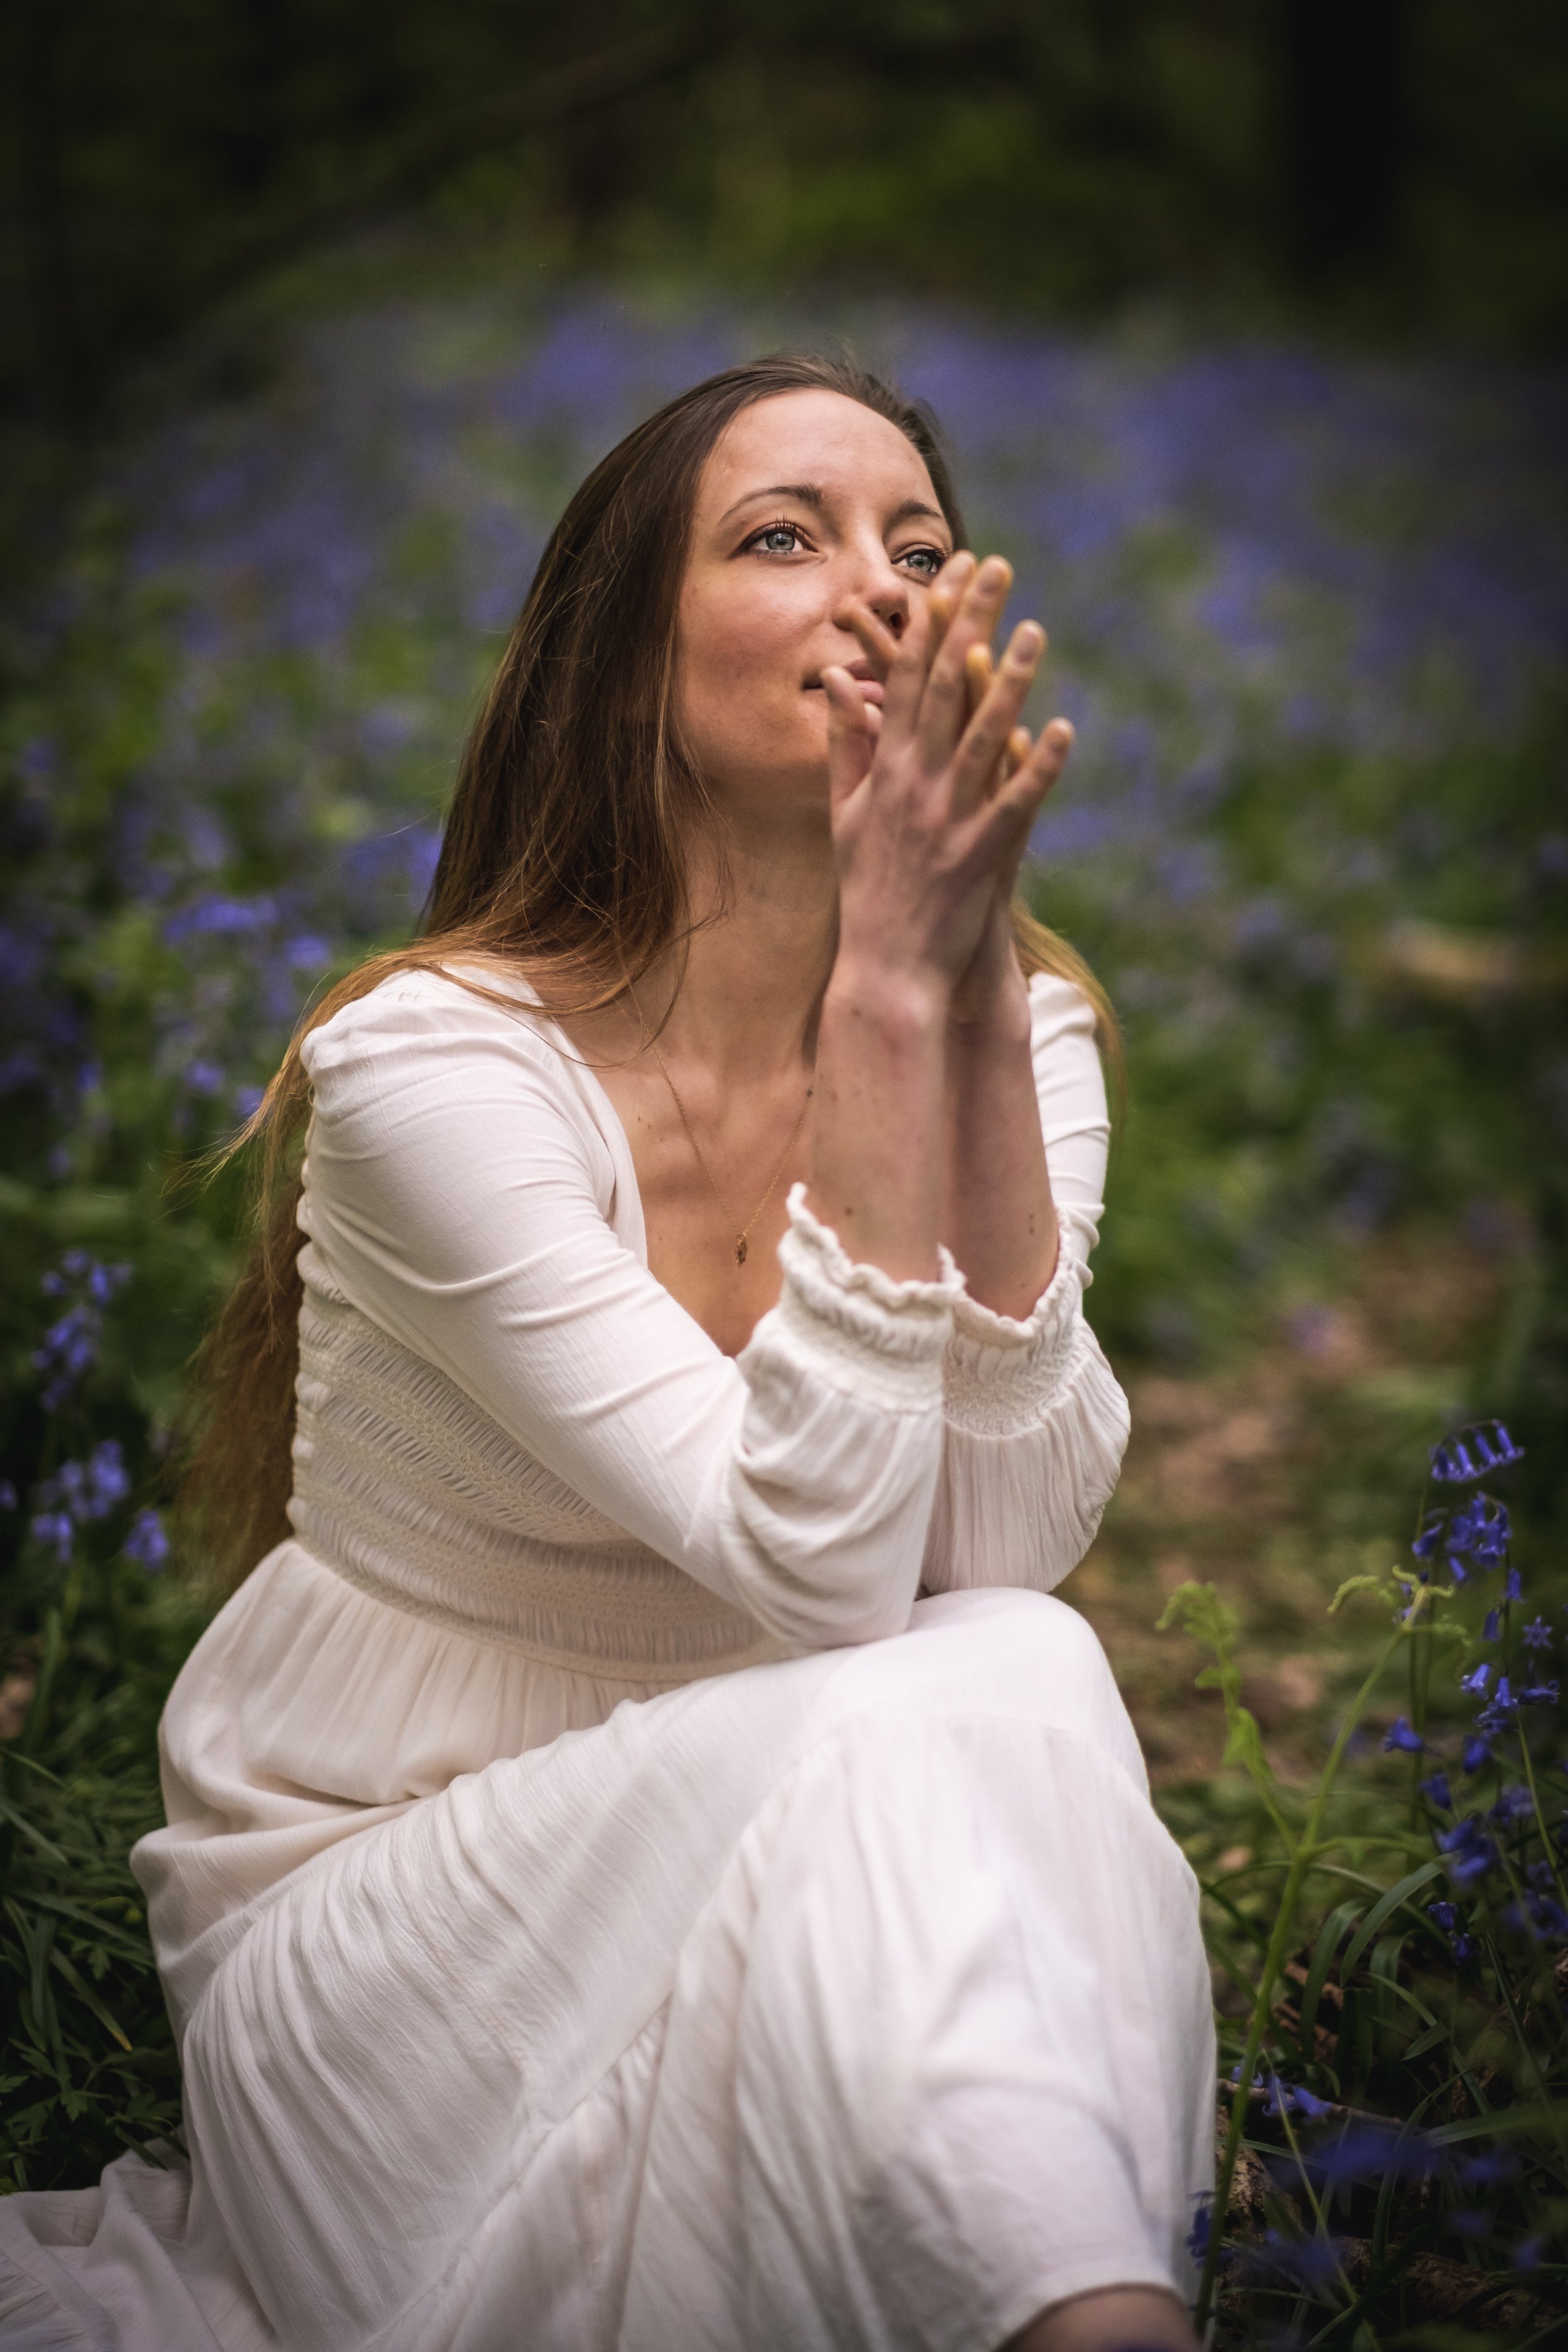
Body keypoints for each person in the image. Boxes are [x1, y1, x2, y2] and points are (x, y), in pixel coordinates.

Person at [0, 356, 1213, 2352]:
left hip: (838, 1881)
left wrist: (964, 1002)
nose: (881, 589)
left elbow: (992, 1541)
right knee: (981, 1683)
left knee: (1011, 1646)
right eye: (782, 538)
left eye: (921, 550)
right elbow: (831, 1580)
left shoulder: (1028, 1030)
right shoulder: (435, 1071)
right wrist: (891, 996)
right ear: (622, 658)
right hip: (406, 1961)